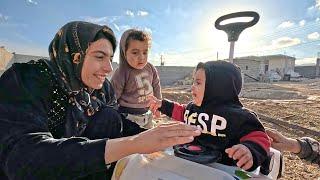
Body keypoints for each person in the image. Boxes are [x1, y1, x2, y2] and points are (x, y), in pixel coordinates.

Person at [0, 21, 201, 180]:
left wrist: (157, 137)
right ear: (74, 56)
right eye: (99, 56)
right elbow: (23, 162)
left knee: (109, 117)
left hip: (80, 166)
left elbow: (117, 123)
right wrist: (132, 144)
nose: (108, 68)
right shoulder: (28, 79)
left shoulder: (99, 88)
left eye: (110, 58)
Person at [148, 60, 271, 171]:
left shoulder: (238, 116)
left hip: (223, 168)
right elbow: (181, 112)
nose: (192, 87)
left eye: (198, 83)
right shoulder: (193, 108)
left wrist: (249, 150)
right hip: (191, 162)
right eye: (193, 82)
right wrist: (162, 105)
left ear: (218, 87)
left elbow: (259, 136)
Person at [111, 29, 161, 129]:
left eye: (145, 52)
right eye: (135, 53)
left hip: (148, 114)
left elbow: (156, 86)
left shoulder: (151, 68)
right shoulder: (122, 72)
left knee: (149, 140)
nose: (141, 57)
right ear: (124, 53)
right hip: (128, 117)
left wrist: (159, 106)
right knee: (132, 141)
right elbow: (113, 97)